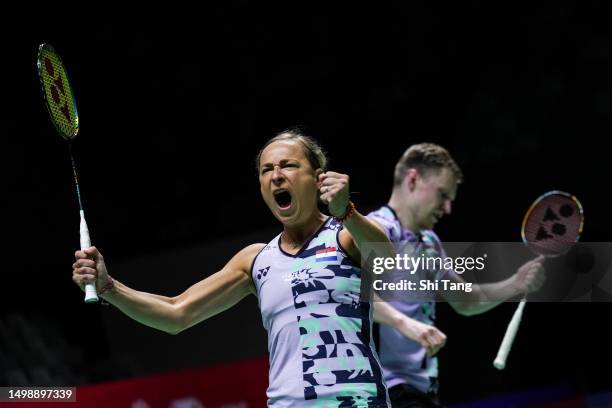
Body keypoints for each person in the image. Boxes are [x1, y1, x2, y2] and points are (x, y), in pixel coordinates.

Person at [73, 129, 404, 407]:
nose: (276, 176)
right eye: (266, 170)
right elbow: (177, 312)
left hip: (357, 401)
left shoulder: (345, 236)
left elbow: (389, 264)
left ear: (318, 178)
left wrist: (347, 211)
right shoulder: (256, 260)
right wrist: (109, 288)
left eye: (288, 165)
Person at [367, 143, 546, 408]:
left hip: (421, 390)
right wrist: (405, 323)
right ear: (413, 180)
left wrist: (516, 283)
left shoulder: (429, 242)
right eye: (442, 195)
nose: (448, 208)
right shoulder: (375, 230)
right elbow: (344, 291)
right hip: (384, 389)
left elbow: (466, 300)